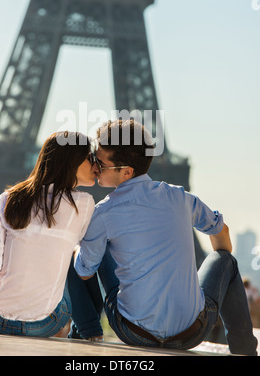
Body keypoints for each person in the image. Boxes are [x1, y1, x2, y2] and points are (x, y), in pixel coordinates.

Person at [74, 119, 258, 355]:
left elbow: (85, 271)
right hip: (191, 333)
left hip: (133, 332)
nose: (95, 167)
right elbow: (222, 232)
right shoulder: (180, 198)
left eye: (100, 163)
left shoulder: (102, 213)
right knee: (226, 260)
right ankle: (245, 351)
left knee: (99, 246)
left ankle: (83, 334)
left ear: (127, 172)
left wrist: (80, 244)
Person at [0, 131, 97, 338]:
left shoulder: (11, 198)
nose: (96, 165)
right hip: (46, 323)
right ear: (72, 161)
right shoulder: (85, 204)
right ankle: (91, 331)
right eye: (90, 158)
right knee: (76, 256)